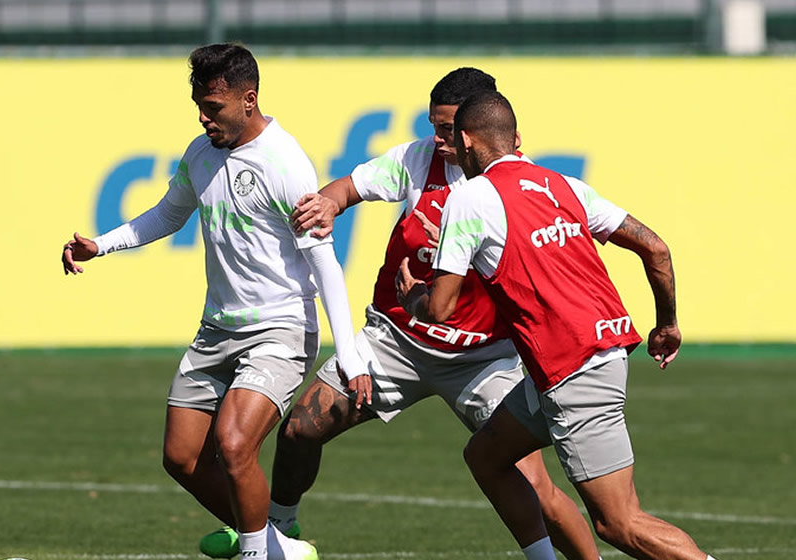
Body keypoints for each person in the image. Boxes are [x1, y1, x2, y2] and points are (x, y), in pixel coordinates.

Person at [199, 68, 599, 560]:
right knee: (300, 429)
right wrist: (327, 204)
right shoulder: (416, 160)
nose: (439, 138)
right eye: (434, 125)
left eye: (449, 129)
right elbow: (348, 187)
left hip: (483, 358)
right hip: (397, 343)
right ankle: (280, 533)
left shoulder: (516, 185)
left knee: (534, 484)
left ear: (476, 129)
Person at [62, 43, 367, 560]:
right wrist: (102, 244)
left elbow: (324, 264)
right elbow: (166, 214)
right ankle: (275, 545)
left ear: (249, 100)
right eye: (199, 107)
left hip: (280, 329)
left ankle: (255, 553)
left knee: (232, 444)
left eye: (214, 108)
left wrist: (351, 356)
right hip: (217, 329)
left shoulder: (285, 163)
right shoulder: (199, 154)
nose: (205, 119)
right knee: (180, 458)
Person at [398, 90, 714, 560]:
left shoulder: (469, 198)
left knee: (619, 522)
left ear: (465, 141)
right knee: (485, 456)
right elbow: (657, 249)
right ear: (516, 139)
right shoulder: (562, 184)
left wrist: (414, 297)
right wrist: (666, 323)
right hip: (577, 363)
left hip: (573, 370)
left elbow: (441, 309)